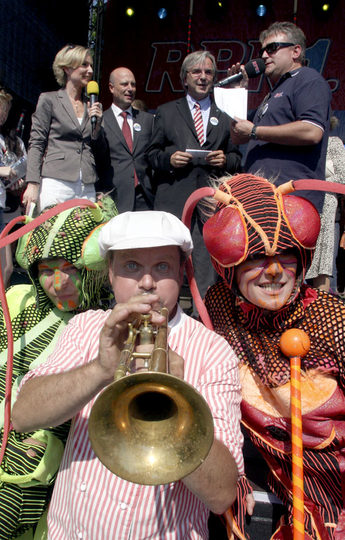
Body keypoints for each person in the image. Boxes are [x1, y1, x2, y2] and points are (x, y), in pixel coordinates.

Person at [12, 210, 244, 539]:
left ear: (181, 272)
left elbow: (222, 495)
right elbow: (22, 416)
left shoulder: (213, 351)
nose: (147, 282)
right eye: (131, 266)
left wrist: (178, 396)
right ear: (110, 273)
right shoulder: (85, 327)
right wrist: (100, 370)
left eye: (161, 267)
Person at [190, 172, 345, 539]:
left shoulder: (332, 318)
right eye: (256, 258)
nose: (274, 272)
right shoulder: (218, 308)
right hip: (268, 490)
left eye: (285, 256)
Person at [0, 200, 116, 539]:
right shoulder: (16, 299)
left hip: (39, 474)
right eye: (47, 270)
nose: (58, 281)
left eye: (70, 268)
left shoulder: (107, 327)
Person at [147, 50, 242, 301]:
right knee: (168, 262)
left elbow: (237, 158)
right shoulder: (166, 112)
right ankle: (164, 317)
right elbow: (151, 155)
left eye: (208, 72)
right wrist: (169, 159)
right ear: (184, 79)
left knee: (205, 267)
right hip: (174, 200)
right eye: (196, 72)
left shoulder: (225, 114)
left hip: (210, 205)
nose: (203, 77)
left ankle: (203, 324)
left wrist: (226, 160)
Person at [230, 21, 331, 213]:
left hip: (291, 199)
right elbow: (237, 136)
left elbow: (312, 131)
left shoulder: (307, 79)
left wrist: (254, 130)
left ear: (296, 51)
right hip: (260, 199)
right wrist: (238, 92)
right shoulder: (272, 94)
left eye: (272, 48)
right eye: (262, 51)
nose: (264, 55)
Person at [22, 44, 104, 214]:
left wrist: (97, 129)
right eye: (84, 65)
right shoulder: (49, 100)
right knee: (55, 237)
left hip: (86, 183)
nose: (90, 70)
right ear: (67, 68)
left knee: (82, 237)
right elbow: (37, 143)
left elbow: (98, 148)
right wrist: (33, 183)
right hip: (57, 180)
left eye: (90, 65)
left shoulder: (92, 105)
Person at [100, 67, 154, 213]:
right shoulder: (101, 121)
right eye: (124, 84)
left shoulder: (148, 120)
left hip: (145, 197)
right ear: (111, 88)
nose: (130, 89)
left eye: (133, 84)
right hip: (115, 197)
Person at [306, 116, 345, 292]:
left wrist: (317, 180)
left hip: (327, 213)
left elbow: (342, 178)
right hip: (304, 208)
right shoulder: (301, 146)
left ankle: (322, 311)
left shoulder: (334, 143)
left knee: (324, 267)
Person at [0, 88, 27, 287]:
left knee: (7, 267)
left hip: (5, 203)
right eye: (1, 108)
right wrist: (4, 171)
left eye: (6, 109)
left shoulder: (12, 139)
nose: (3, 113)